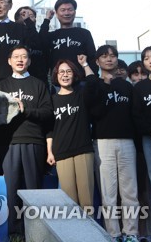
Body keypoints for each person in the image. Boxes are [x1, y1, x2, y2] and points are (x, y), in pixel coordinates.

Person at [0, 0, 39, 175]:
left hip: (18, 84)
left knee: (18, 127)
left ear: (10, 5)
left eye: (3, 2)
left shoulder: (20, 29)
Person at [0, 45, 53, 240]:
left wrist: (25, 110)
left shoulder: (38, 84)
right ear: (9, 61)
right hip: (9, 143)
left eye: (24, 57)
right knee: (12, 190)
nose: (20, 60)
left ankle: (35, 232)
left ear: (29, 61)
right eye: (16, 57)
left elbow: (47, 113)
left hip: (34, 142)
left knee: (33, 189)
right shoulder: (2, 86)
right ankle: (15, 233)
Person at [92, 45, 140, 242]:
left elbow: (135, 115)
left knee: (130, 192)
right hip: (103, 142)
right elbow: (94, 112)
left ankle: (132, 233)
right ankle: (113, 234)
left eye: (113, 56)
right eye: (104, 56)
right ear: (97, 61)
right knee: (108, 192)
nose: (109, 59)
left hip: (128, 142)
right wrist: (105, 86)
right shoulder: (94, 85)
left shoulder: (127, 86)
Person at [46, 56, 98, 209]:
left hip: (83, 150)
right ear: (56, 76)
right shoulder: (52, 100)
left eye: (69, 71)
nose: (65, 75)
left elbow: (93, 82)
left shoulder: (81, 95)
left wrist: (84, 64)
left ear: (74, 75)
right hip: (61, 152)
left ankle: (89, 233)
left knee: (87, 200)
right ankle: (73, 233)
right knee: (69, 201)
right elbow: (49, 129)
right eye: (61, 72)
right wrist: (50, 152)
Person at [132, 46, 151, 240]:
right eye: (146, 58)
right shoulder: (140, 88)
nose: (150, 60)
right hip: (150, 141)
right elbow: (137, 115)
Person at [40, 0, 98, 78]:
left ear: (75, 12)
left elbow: (92, 58)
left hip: (82, 83)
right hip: (59, 83)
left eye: (70, 10)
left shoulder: (84, 33)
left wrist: (92, 79)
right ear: (56, 13)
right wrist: (47, 19)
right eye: (63, 10)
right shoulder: (52, 36)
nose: (67, 13)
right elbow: (40, 41)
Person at [14, 6, 50, 84]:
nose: (27, 18)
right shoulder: (14, 35)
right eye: (24, 14)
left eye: (31, 16)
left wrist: (47, 19)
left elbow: (41, 36)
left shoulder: (37, 36)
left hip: (40, 80)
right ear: (17, 19)